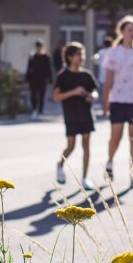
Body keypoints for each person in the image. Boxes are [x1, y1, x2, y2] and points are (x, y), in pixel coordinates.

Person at [100, 15, 133, 182]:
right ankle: (109, 162)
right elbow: (108, 80)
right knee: (116, 135)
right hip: (117, 100)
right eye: (130, 30)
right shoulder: (113, 53)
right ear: (122, 32)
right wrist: (105, 103)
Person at [52, 42, 97, 185]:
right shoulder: (63, 76)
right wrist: (74, 92)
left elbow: (95, 91)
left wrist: (92, 96)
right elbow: (56, 96)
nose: (82, 57)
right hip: (71, 114)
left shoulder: (87, 74)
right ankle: (60, 165)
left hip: (86, 114)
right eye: (79, 54)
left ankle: (84, 178)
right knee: (71, 146)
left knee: (86, 146)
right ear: (70, 57)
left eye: (82, 54)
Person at [24, 40, 54, 119]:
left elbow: (49, 69)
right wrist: (27, 78)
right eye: (37, 47)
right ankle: (34, 110)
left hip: (43, 79)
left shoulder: (46, 57)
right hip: (33, 79)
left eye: (40, 47)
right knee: (33, 95)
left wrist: (50, 79)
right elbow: (29, 68)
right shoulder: (32, 57)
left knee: (41, 96)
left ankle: (40, 111)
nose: (38, 49)